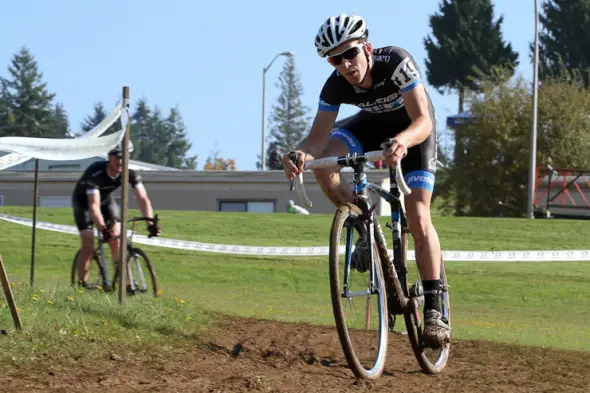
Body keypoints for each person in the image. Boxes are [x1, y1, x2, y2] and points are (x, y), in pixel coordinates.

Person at [282, 13, 449, 348]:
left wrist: (403, 141)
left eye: (350, 53)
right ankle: (364, 225)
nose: (344, 64)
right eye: (334, 59)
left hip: (414, 131)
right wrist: (298, 154)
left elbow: (423, 120)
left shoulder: (396, 62)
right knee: (323, 165)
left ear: (367, 48)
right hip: (370, 126)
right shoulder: (335, 85)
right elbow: (315, 141)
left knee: (417, 213)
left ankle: (434, 308)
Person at [71, 144, 160, 290]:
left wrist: (150, 223)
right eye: (117, 157)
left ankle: (124, 286)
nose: (120, 161)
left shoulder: (130, 173)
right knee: (88, 242)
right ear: (109, 158)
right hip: (84, 203)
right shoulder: (96, 173)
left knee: (117, 242)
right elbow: (93, 206)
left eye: (124, 157)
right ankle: (82, 284)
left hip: (105, 201)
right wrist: (103, 229)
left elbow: (143, 198)